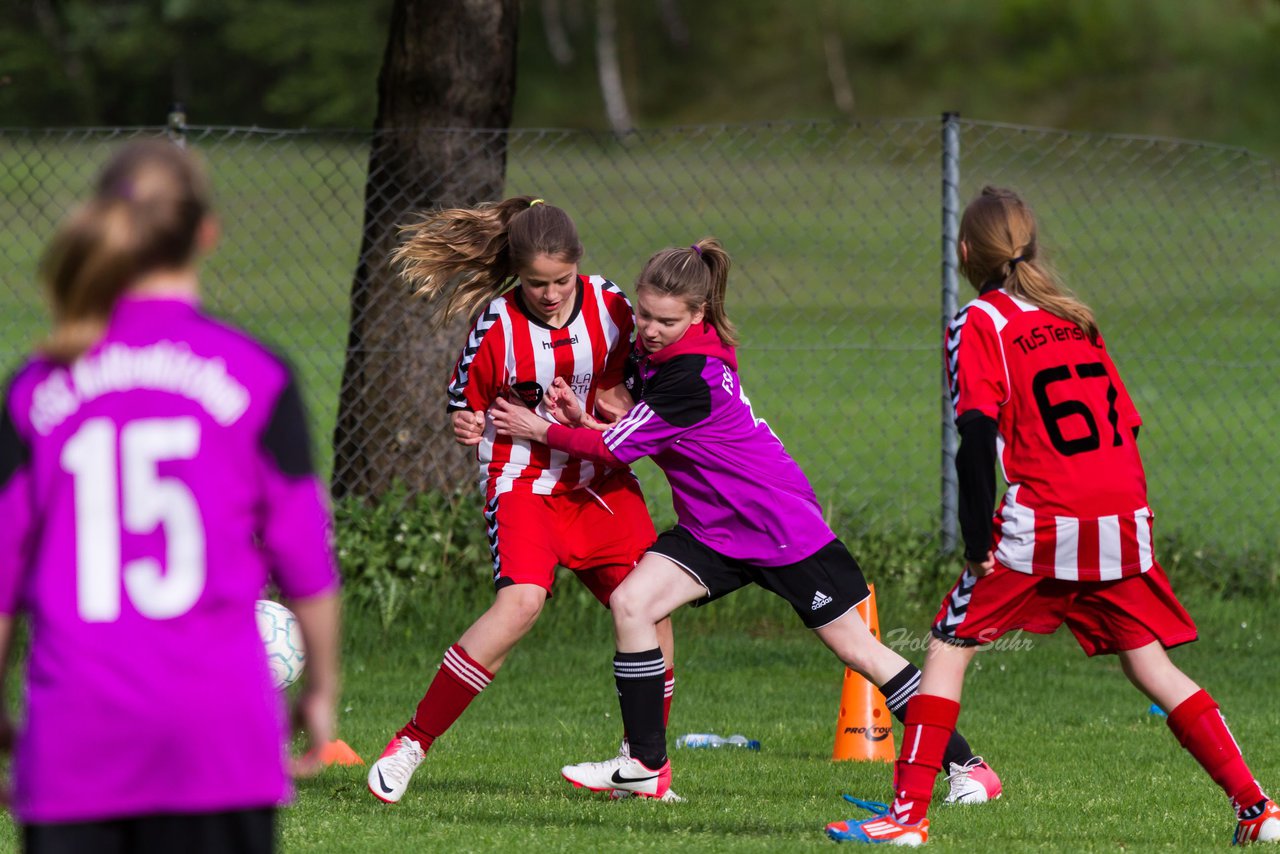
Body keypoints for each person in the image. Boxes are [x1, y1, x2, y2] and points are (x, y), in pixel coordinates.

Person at [826, 186, 1279, 846]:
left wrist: (977, 535)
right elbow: (1127, 426)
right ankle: (1258, 807)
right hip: (1124, 515)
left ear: (963, 252)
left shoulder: (980, 322)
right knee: (1149, 665)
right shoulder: (1075, 319)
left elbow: (977, 436)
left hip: (1047, 516)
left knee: (948, 649)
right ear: (1033, 246)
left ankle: (906, 818)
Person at [490, 237, 1000, 803]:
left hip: (779, 529)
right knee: (632, 603)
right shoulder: (660, 353)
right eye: (643, 314)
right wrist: (585, 417)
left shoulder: (694, 372)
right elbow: (633, 424)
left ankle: (968, 767)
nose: (649, 329)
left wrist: (543, 431)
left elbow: (617, 449)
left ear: (698, 314)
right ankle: (644, 763)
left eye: (665, 320)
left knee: (860, 652)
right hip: (715, 530)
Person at [0, 139, 342, 854]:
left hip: (74, 739)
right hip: (217, 742)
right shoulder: (255, 372)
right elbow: (305, 553)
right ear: (206, 233)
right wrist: (321, 686)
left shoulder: (36, 389)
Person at [366, 197, 676, 804]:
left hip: (598, 482)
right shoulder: (498, 324)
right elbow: (466, 400)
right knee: (521, 605)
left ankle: (644, 767)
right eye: (537, 283)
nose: (552, 293)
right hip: (523, 482)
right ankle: (410, 744)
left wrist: (616, 401)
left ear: (578, 269)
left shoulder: (612, 304)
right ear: (517, 275)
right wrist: (465, 421)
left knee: (652, 608)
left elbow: (638, 376)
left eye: (561, 280)